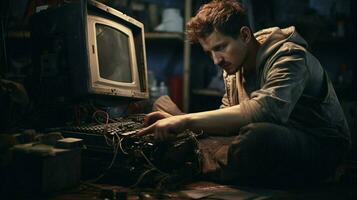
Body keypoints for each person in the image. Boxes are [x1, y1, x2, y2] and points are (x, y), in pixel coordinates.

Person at [138, 0, 351, 186]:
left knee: (258, 137)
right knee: (162, 105)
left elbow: (266, 112)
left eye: (220, 47)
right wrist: (177, 121)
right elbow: (227, 123)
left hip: (320, 147)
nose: (216, 60)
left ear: (244, 35)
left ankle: (195, 160)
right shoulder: (233, 68)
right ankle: (204, 156)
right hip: (253, 141)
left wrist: (184, 122)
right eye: (209, 52)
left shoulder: (289, 56)